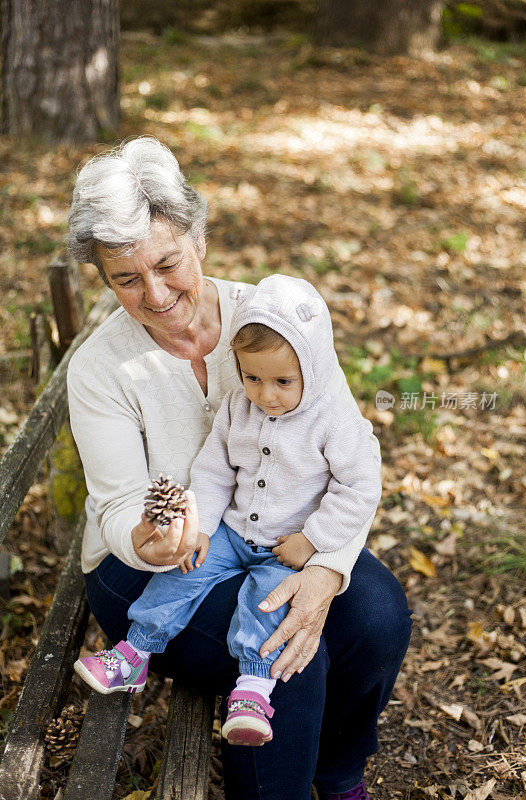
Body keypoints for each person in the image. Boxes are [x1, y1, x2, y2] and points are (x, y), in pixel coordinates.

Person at [66, 136, 411, 800]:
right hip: (145, 569)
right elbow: (118, 505)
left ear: (198, 238)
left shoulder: (278, 322)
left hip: (278, 535)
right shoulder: (100, 367)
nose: (156, 294)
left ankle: (336, 776)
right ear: (104, 279)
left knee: (377, 615)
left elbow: (350, 451)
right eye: (126, 278)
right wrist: (147, 538)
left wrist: (326, 565)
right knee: (286, 658)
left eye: (166, 263)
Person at [73, 274, 383, 750]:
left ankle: (253, 690)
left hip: (286, 546)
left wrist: (315, 540)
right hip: (233, 529)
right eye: (252, 377)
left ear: (313, 369)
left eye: (283, 381)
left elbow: (359, 488)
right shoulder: (240, 406)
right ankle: (135, 651)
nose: (267, 394)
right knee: (183, 575)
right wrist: (204, 524)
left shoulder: (334, 420)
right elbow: (214, 469)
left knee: (265, 607)